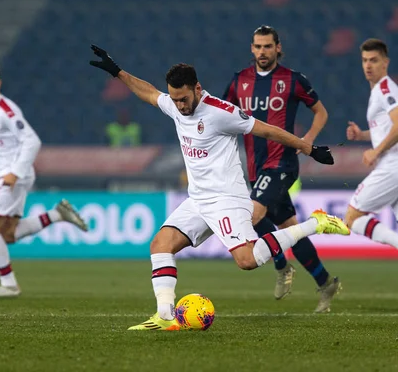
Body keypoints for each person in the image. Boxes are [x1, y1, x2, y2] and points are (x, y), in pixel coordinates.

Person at [89, 44, 350, 330]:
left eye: (184, 99)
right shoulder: (176, 106)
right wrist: (117, 72)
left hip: (227, 199)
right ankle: (165, 317)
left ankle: (316, 222)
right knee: (160, 245)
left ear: (198, 88)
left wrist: (309, 148)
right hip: (198, 200)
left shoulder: (221, 112)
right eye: (175, 100)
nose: (180, 106)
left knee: (247, 261)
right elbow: (150, 93)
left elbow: (267, 130)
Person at [223, 25, 339, 312]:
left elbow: (321, 111)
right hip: (254, 167)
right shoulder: (240, 81)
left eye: (267, 46)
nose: (262, 52)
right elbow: (223, 116)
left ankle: (279, 265)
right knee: (289, 228)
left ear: (278, 48)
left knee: (252, 215)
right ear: (252, 49)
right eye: (258, 47)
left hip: (282, 164)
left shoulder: (293, 80)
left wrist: (307, 142)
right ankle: (325, 282)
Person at [0, 64, 88, 298]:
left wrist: (15, 173)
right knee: (7, 235)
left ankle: (8, 285)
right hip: (10, 175)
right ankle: (57, 214)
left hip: (11, 177)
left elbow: (32, 141)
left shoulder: (7, 111)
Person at [344, 38, 398, 250]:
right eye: (365, 60)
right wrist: (363, 135)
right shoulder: (377, 91)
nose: (368, 65)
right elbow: (385, 129)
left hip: (392, 166)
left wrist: (376, 150)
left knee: (352, 217)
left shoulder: (386, 89)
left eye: (374, 60)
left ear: (385, 63)